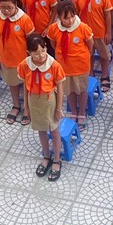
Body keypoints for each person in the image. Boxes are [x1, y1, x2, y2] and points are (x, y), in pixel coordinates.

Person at [18, 33, 66, 181]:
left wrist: (59, 109)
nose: (41, 55)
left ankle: (56, 159)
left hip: (49, 100)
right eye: (36, 53)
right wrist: (26, 107)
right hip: (34, 100)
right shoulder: (25, 65)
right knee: (41, 129)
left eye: (43, 51)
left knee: (54, 130)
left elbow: (60, 88)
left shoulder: (54, 65)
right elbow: (25, 86)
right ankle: (46, 156)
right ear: (29, 53)